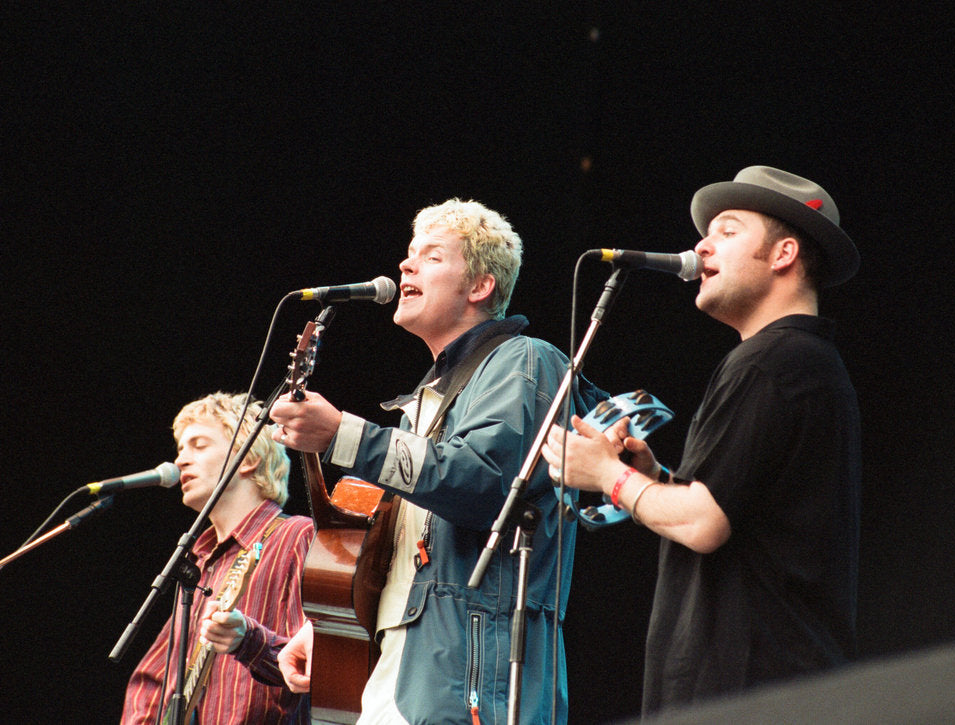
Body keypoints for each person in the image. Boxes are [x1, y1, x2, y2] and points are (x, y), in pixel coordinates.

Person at [542, 166, 862, 715]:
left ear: (783, 254)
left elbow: (705, 522)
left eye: (728, 230)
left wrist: (607, 477)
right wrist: (655, 481)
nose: (701, 245)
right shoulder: (799, 362)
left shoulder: (772, 362)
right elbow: (742, 512)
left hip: (750, 688)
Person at [269, 198, 602, 724]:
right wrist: (332, 624)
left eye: (431, 256)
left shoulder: (526, 360)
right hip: (406, 668)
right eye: (408, 254)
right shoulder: (425, 403)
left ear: (479, 286)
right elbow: (397, 550)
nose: (405, 265)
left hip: (471, 666)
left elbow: (483, 483)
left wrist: (345, 435)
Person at [121, 392, 314, 725]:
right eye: (181, 448)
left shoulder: (297, 536)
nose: (181, 460)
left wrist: (250, 641)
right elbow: (153, 680)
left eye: (199, 445)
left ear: (248, 458)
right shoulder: (201, 565)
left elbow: (322, 666)